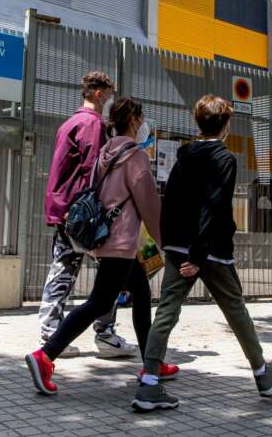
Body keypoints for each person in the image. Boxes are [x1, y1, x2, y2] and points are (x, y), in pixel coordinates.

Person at [131, 94, 272, 412]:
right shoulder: (224, 158)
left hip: (178, 246)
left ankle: (149, 384)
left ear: (197, 122)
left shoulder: (184, 155)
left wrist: (172, 244)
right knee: (235, 309)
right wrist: (198, 256)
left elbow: (170, 198)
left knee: (166, 311)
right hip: (210, 250)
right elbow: (214, 206)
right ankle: (262, 374)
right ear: (226, 125)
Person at [26, 97, 178, 395]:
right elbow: (149, 204)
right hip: (122, 243)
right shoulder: (135, 156)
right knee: (98, 302)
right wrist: (167, 243)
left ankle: (153, 362)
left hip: (107, 239)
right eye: (142, 117)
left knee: (142, 292)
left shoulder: (106, 152)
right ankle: (45, 355)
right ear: (134, 120)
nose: (144, 122)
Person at [38, 71, 137, 358]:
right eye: (107, 94)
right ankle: (105, 334)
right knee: (111, 273)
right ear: (98, 94)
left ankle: (50, 331)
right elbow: (94, 171)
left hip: (64, 208)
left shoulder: (68, 123)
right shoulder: (93, 125)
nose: (109, 100)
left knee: (62, 269)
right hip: (87, 213)